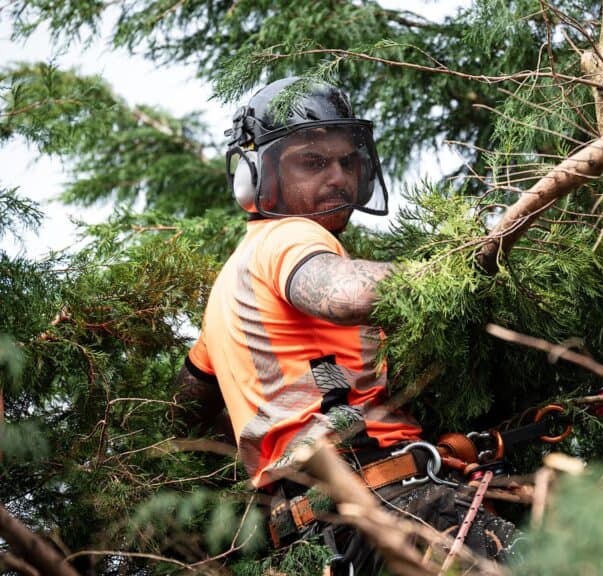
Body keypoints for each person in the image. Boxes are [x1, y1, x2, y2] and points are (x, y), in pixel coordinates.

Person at [172, 77, 517, 572]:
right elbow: (347, 294)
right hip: (393, 508)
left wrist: (286, 438)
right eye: (312, 162)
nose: (337, 176)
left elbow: (185, 408)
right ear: (256, 175)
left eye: (346, 161)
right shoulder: (287, 237)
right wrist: (460, 266)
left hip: (316, 537)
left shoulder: (231, 287)